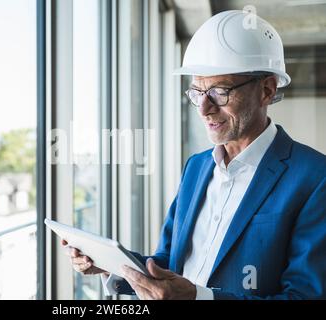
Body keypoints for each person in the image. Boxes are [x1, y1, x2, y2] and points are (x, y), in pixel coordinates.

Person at [62, 10, 326, 300]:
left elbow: (305, 296)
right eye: (197, 92)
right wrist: (112, 267)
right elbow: (170, 261)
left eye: (220, 92)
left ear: (266, 90)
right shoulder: (196, 167)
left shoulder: (314, 177)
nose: (204, 108)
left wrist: (198, 298)